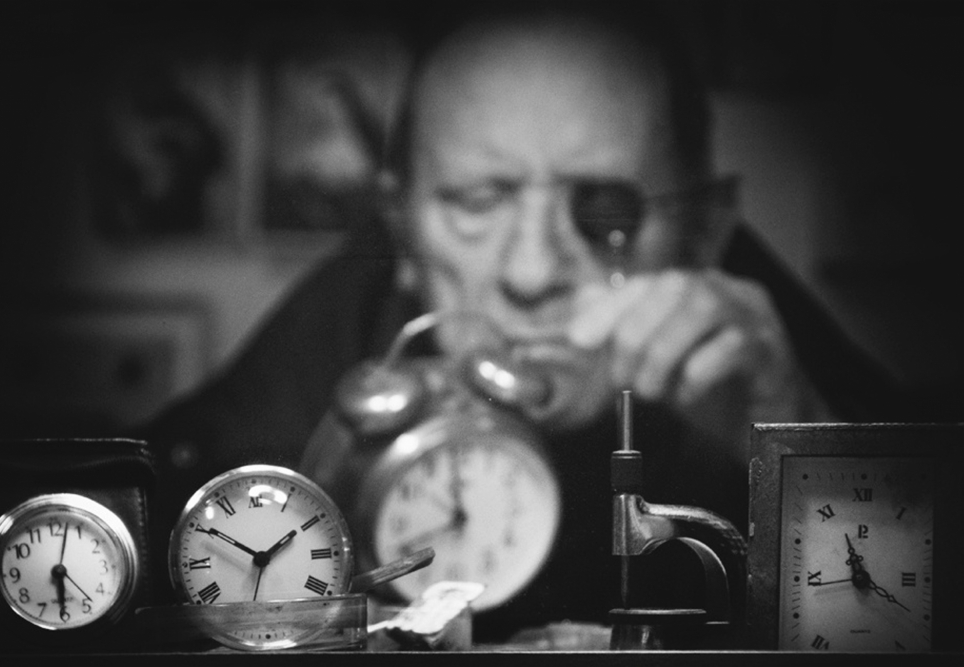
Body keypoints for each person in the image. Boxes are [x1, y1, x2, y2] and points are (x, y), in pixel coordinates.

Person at [138, 3, 905, 643]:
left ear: (704, 233)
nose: (532, 272)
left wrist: (796, 442)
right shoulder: (332, 347)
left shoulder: (762, 357)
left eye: (604, 211)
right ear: (401, 232)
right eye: (478, 201)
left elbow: (903, 615)